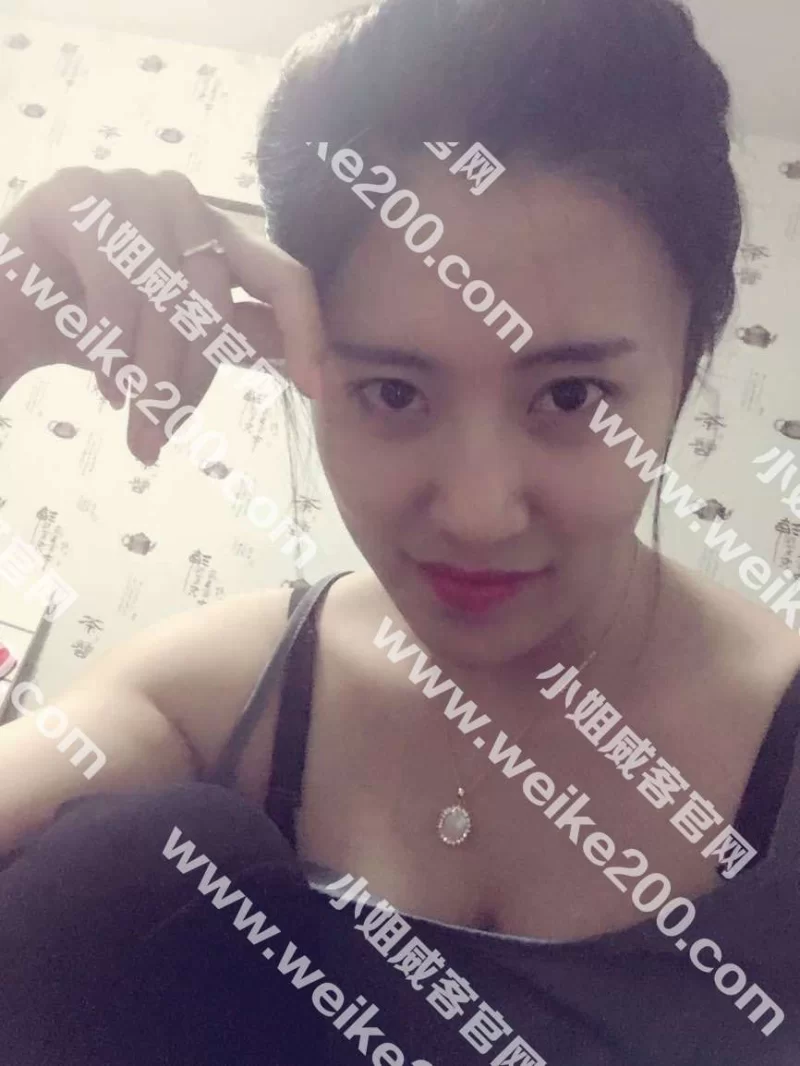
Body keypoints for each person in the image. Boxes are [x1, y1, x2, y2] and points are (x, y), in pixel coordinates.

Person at [0, 0, 798, 1062]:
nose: (476, 510)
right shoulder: (219, 695)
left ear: (686, 370)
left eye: (569, 396)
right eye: (391, 392)